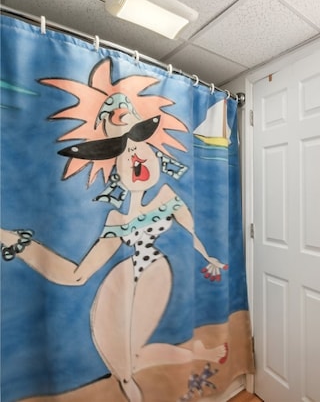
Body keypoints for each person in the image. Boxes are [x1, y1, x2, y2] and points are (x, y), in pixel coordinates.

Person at [0, 59, 228, 402]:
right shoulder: (116, 222)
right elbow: (77, 276)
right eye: (117, 149)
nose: (134, 155)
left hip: (153, 271)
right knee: (126, 359)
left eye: (140, 139)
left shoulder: (167, 197)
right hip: (124, 275)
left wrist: (208, 255)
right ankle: (199, 352)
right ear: (113, 170)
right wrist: (15, 241)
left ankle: (157, 376)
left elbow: (190, 232)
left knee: (124, 365)